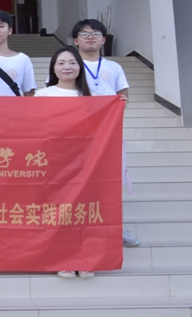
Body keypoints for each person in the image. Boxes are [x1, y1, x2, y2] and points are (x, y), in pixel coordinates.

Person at [71, 18, 140, 248]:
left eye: (95, 33)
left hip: (108, 133)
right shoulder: (69, 64)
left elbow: (123, 96)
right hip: (77, 135)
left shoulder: (114, 67)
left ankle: (115, 227)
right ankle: (79, 227)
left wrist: (115, 107)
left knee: (109, 181)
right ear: (75, 40)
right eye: (84, 33)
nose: (90, 37)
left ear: (103, 39)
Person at [35, 47, 96, 279]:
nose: (67, 67)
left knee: (83, 211)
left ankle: (85, 258)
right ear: (53, 68)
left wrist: (117, 104)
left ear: (80, 67)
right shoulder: (43, 95)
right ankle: (62, 258)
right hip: (53, 162)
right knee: (57, 211)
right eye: (61, 63)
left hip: (85, 163)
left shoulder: (92, 98)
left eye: (72, 62)